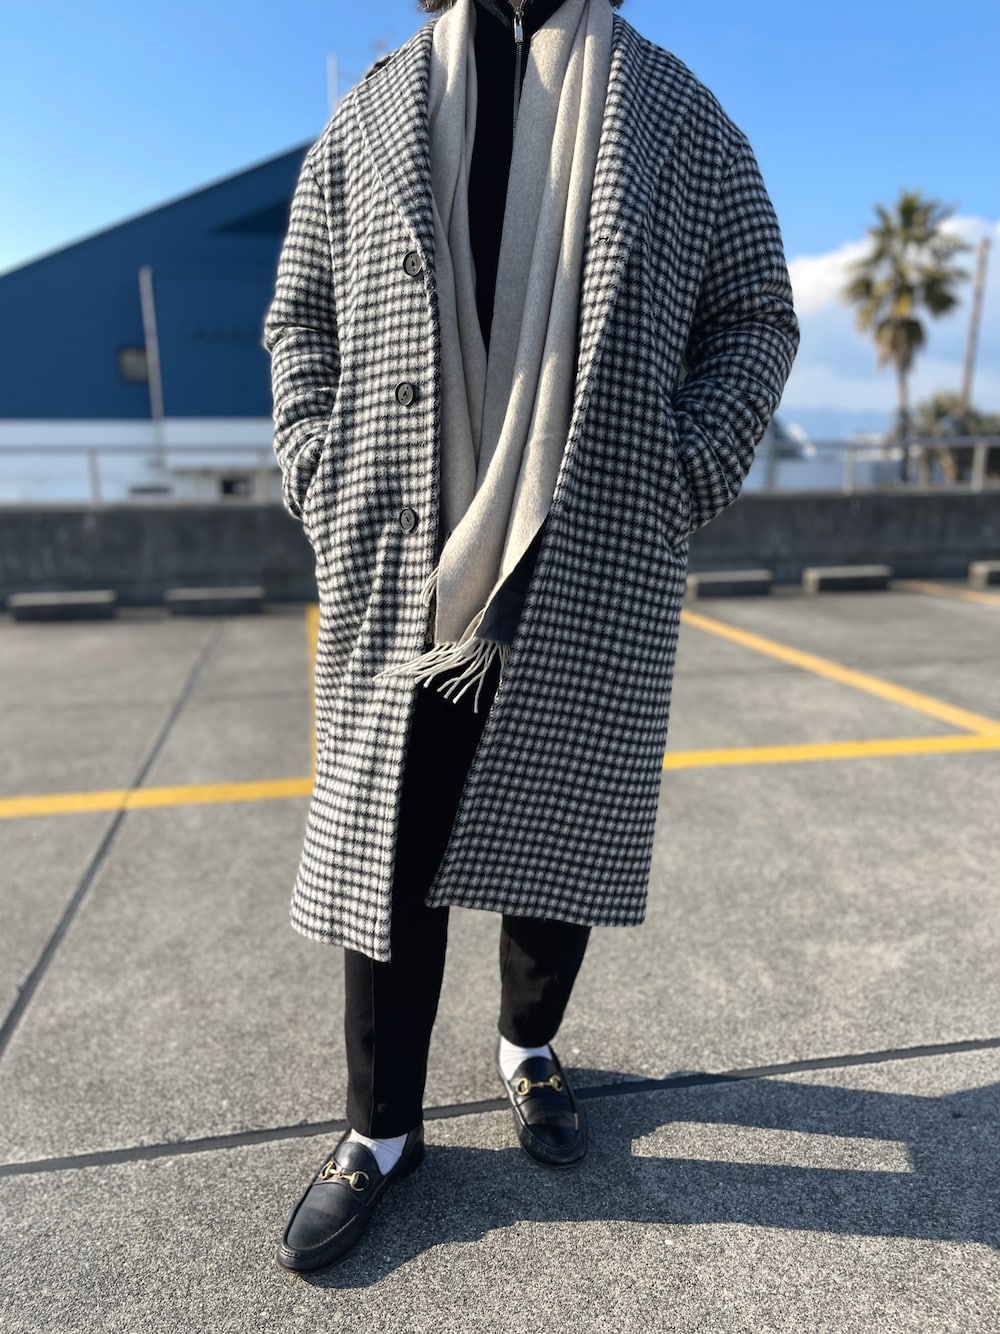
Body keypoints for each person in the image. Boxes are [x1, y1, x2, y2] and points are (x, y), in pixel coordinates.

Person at [265, 0, 798, 1271]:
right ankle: (380, 1128)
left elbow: (756, 314)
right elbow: (299, 316)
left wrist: (679, 471)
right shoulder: (373, 106)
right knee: (390, 850)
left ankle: (528, 1047)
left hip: (588, 542)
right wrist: (316, 463)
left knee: (556, 838)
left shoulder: (675, 110)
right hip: (404, 552)